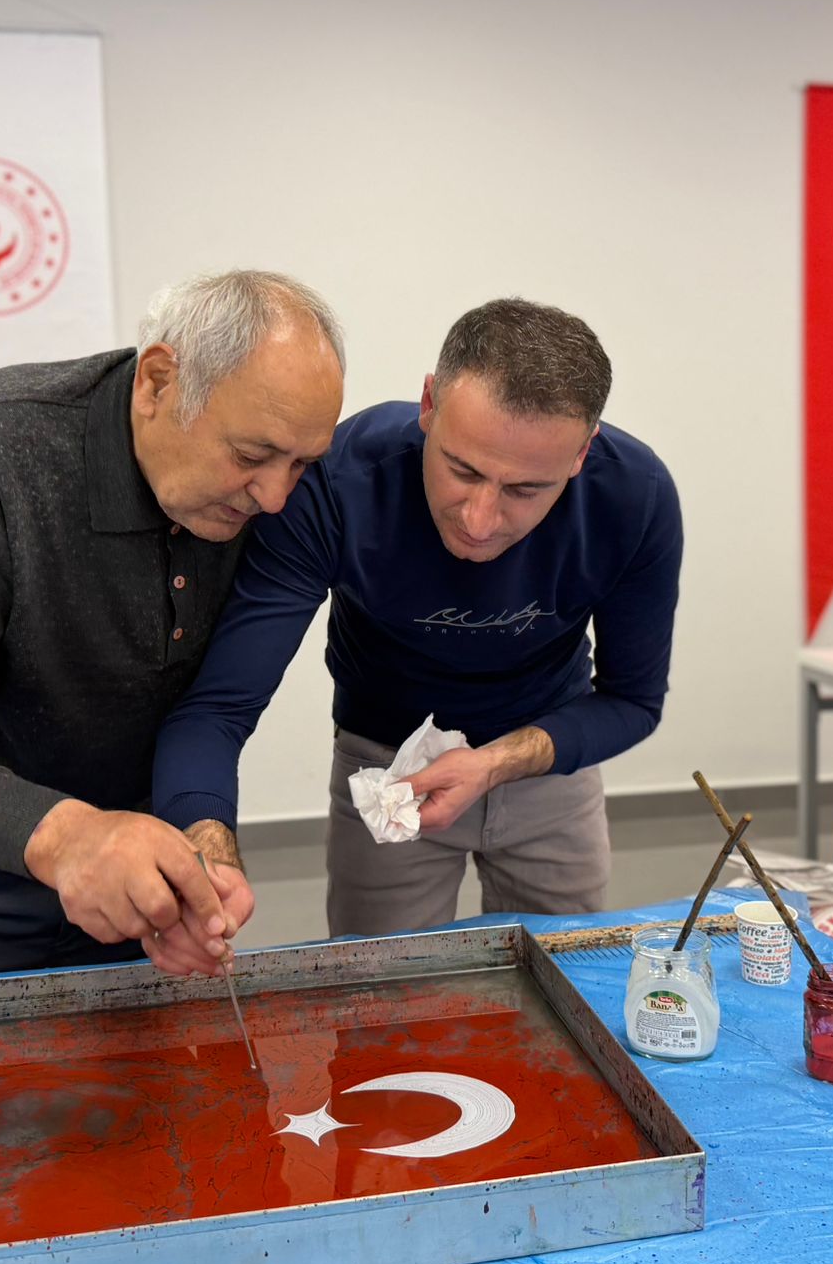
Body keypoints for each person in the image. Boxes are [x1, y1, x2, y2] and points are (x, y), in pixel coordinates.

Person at [0, 270, 346, 986]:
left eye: (302, 464)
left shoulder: (256, 492)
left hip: (119, 863)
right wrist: (70, 837)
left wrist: (199, 846)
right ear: (157, 383)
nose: (276, 497)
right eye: (251, 457)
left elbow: (207, 710)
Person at [151, 298, 682, 937]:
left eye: (525, 490)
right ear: (429, 403)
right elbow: (218, 708)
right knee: (379, 985)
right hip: (386, 770)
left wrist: (495, 764)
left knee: (569, 974)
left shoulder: (634, 497)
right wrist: (205, 856)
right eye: (462, 470)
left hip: (549, 765)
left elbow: (633, 701)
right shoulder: (338, 485)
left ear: (580, 454)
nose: (479, 521)